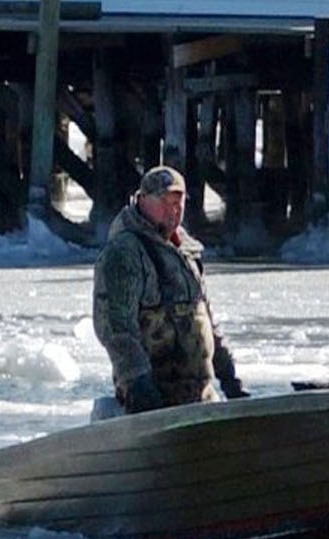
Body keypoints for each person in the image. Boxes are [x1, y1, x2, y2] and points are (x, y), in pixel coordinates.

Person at [92, 165, 245, 415]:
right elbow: (116, 329)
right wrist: (139, 386)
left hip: (199, 402)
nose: (173, 210)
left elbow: (206, 321)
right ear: (141, 201)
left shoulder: (187, 253)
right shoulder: (124, 254)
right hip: (150, 405)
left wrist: (230, 379)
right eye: (163, 202)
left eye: (178, 202)